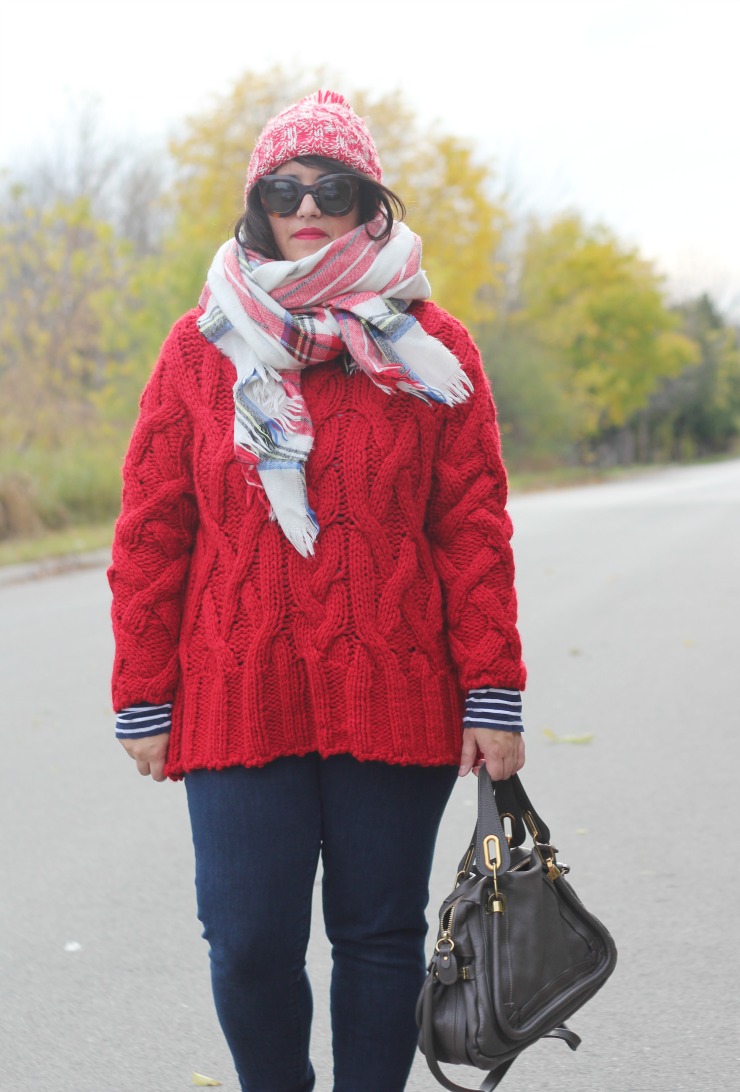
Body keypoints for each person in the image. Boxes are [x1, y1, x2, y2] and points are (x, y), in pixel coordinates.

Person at [109, 90, 526, 1092]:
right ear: (256, 203)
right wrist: (142, 692)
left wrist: (493, 694)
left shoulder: (434, 345)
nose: (306, 204)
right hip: (232, 687)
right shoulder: (198, 346)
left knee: (377, 936)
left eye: (329, 186)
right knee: (248, 941)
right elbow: (153, 530)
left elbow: (470, 531)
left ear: (367, 202)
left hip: (397, 684)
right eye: (282, 188)